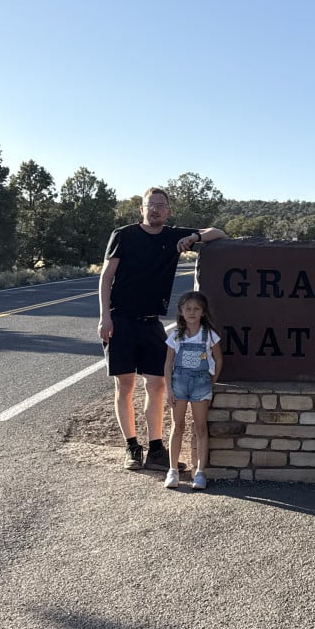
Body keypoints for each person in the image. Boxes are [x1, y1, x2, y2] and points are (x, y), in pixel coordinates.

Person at [98, 186, 224, 471]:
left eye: (160, 205)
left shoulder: (174, 236)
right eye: (149, 204)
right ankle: (132, 447)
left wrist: (195, 237)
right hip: (121, 319)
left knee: (156, 385)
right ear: (141, 209)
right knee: (125, 385)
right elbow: (106, 278)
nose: (154, 209)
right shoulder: (124, 235)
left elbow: (219, 233)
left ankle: (156, 448)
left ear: (168, 211)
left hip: (151, 322)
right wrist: (105, 317)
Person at [163, 290, 223, 490]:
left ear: (203, 312)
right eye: (187, 308)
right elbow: (168, 362)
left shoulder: (209, 335)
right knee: (177, 426)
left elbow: (218, 359)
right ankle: (173, 470)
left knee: (200, 427)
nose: (192, 312)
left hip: (201, 384)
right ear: (181, 311)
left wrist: (210, 381)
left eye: (196, 309)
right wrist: (169, 388)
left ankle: (200, 472)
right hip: (179, 383)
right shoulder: (176, 336)